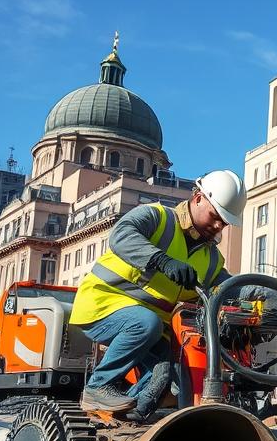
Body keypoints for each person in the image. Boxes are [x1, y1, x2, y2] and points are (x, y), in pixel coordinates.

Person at [70, 170, 245, 421]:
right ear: (198, 199)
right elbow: (121, 235)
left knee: (165, 373)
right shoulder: (157, 217)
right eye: (215, 216)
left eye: (224, 222)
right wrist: (161, 261)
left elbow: (231, 288)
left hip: (150, 328)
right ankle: (98, 386)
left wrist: (267, 294)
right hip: (102, 303)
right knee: (145, 323)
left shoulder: (211, 258)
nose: (218, 226)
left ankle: (126, 422)